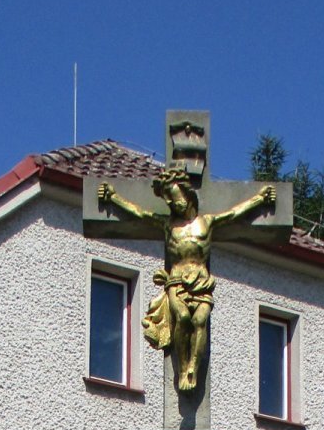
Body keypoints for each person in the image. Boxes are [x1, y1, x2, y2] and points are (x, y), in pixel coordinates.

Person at [98, 167, 275, 394]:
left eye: (177, 198)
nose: (174, 204)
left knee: (200, 321)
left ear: (188, 194)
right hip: (176, 281)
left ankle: (193, 368)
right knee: (182, 318)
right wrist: (113, 198)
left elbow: (234, 214)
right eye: (170, 201)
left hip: (201, 282)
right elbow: (140, 214)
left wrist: (260, 199)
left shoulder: (207, 222)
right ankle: (182, 369)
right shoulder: (168, 225)